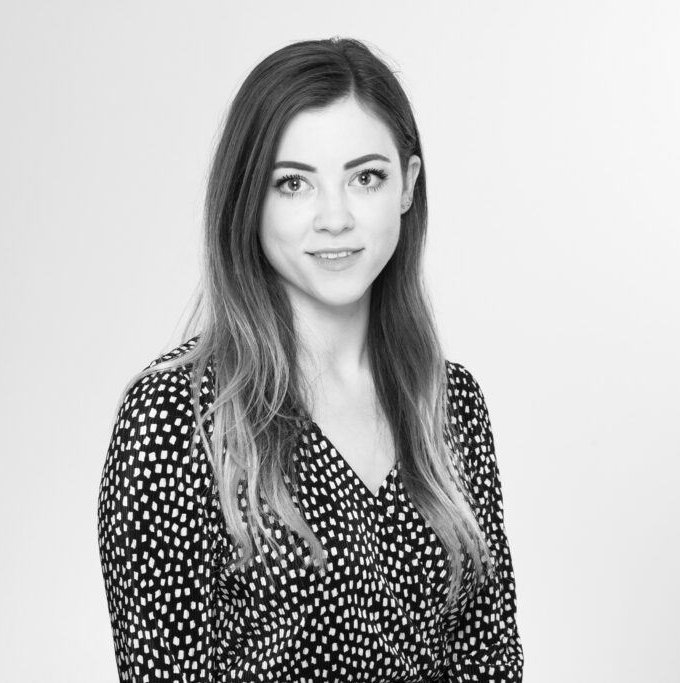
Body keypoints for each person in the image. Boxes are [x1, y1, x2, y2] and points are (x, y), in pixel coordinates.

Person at [97, 37, 524, 682]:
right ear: (249, 199)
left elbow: (488, 659)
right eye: (293, 183)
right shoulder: (174, 418)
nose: (334, 218)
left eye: (365, 177)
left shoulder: (450, 403)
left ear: (407, 185)